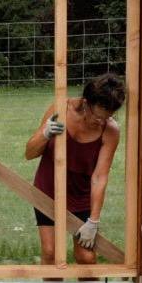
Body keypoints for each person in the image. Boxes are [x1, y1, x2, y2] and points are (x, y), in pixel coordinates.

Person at [23, 73, 124, 269]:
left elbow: (99, 177)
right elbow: (29, 153)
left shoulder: (110, 130)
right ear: (86, 103)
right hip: (48, 189)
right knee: (51, 254)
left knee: (86, 257)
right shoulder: (60, 109)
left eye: (107, 117)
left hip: (81, 195)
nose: (100, 122)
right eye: (97, 116)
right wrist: (45, 134)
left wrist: (93, 221)